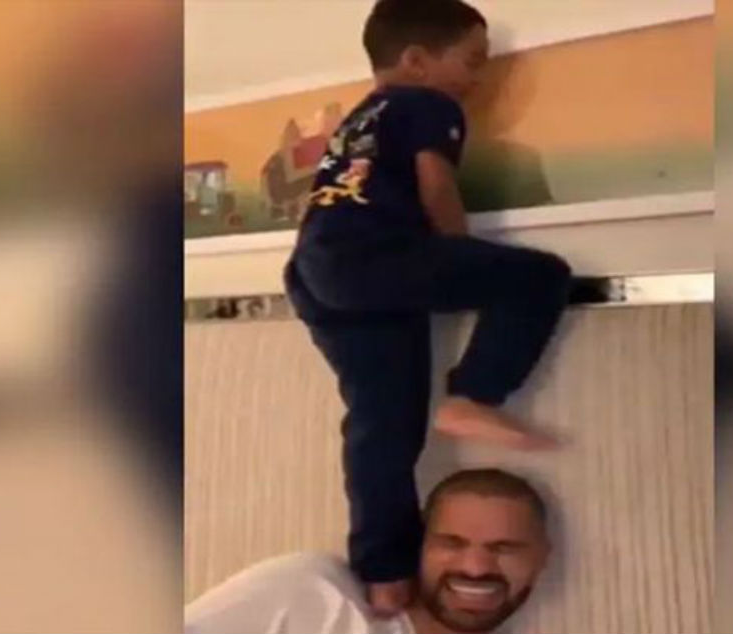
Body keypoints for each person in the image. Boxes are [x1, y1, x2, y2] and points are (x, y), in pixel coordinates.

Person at [283, 0, 572, 615]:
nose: (478, 78)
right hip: (373, 257)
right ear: (416, 61)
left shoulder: (358, 119)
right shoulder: (428, 104)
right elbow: (435, 182)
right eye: (472, 61)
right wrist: (456, 255)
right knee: (539, 277)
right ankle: (473, 394)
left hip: (314, 269)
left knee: (382, 421)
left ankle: (384, 573)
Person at [185, 469, 552, 634]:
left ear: (541, 558)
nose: (475, 568)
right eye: (451, 543)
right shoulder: (318, 591)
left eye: (505, 548)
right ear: (418, 545)